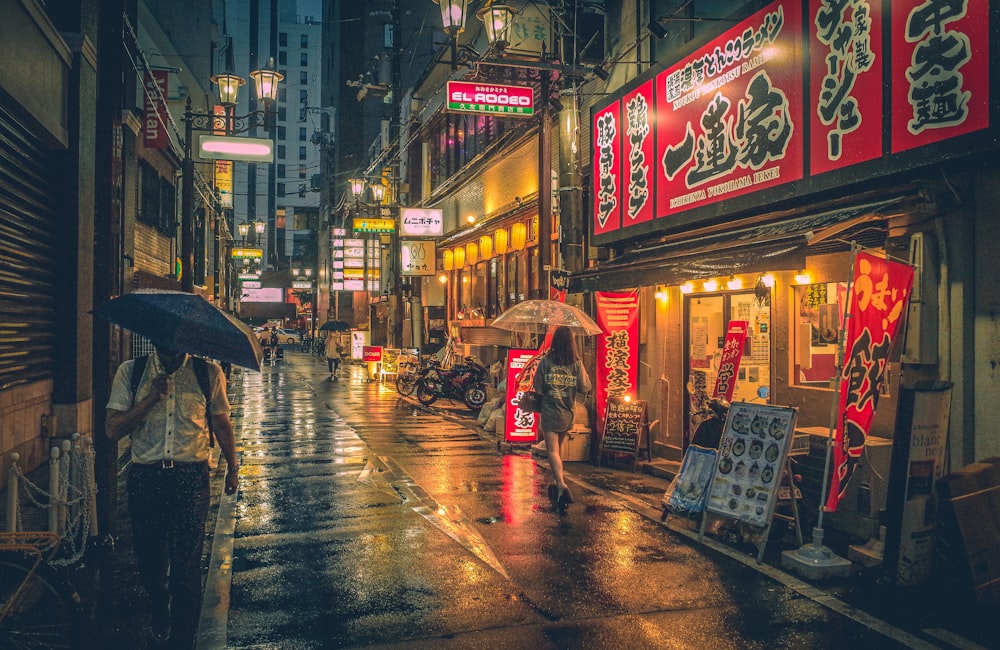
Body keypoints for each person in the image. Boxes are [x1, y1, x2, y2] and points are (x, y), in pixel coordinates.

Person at [105, 345, 239, 647]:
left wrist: (233, 465)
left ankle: (182, 638)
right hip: (146, 477)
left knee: (186, 565)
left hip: (190, 478)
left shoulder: (208, 373)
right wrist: (152, 397)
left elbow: (220, 421)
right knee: (150, 562)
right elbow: (112, 429)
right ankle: (159, 603)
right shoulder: (132, 372)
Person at [533, 326, 592, 509]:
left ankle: (561, 485)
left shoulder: (546, 361)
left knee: (552, 451)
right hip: (568, 411)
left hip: (550, 410)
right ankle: (554, 480)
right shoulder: (576, 363)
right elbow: (585, 386)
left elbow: (538, 387)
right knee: (559, 450)